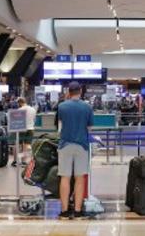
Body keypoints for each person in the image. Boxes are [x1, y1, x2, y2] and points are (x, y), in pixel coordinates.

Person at [56, 82, 94, 220]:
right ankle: (78, 211)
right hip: (82, 145)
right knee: (79, 178)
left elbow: (59, 127)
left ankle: (64, 211)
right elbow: (90, 128)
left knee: (65, 177)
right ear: (81, 91)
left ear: (69, 92)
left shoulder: (62, 106)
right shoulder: (87, 107)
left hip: (65, 144)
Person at [12, 97, 37, 167]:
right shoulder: (33, 109)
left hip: (22, 129)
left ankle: (16, 161)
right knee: (27, 145)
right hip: (31, 129)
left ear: (20, 103)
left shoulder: (20, 109)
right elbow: (34, 119)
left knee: (18, 145)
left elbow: (16, 121)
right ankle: (24, 161)